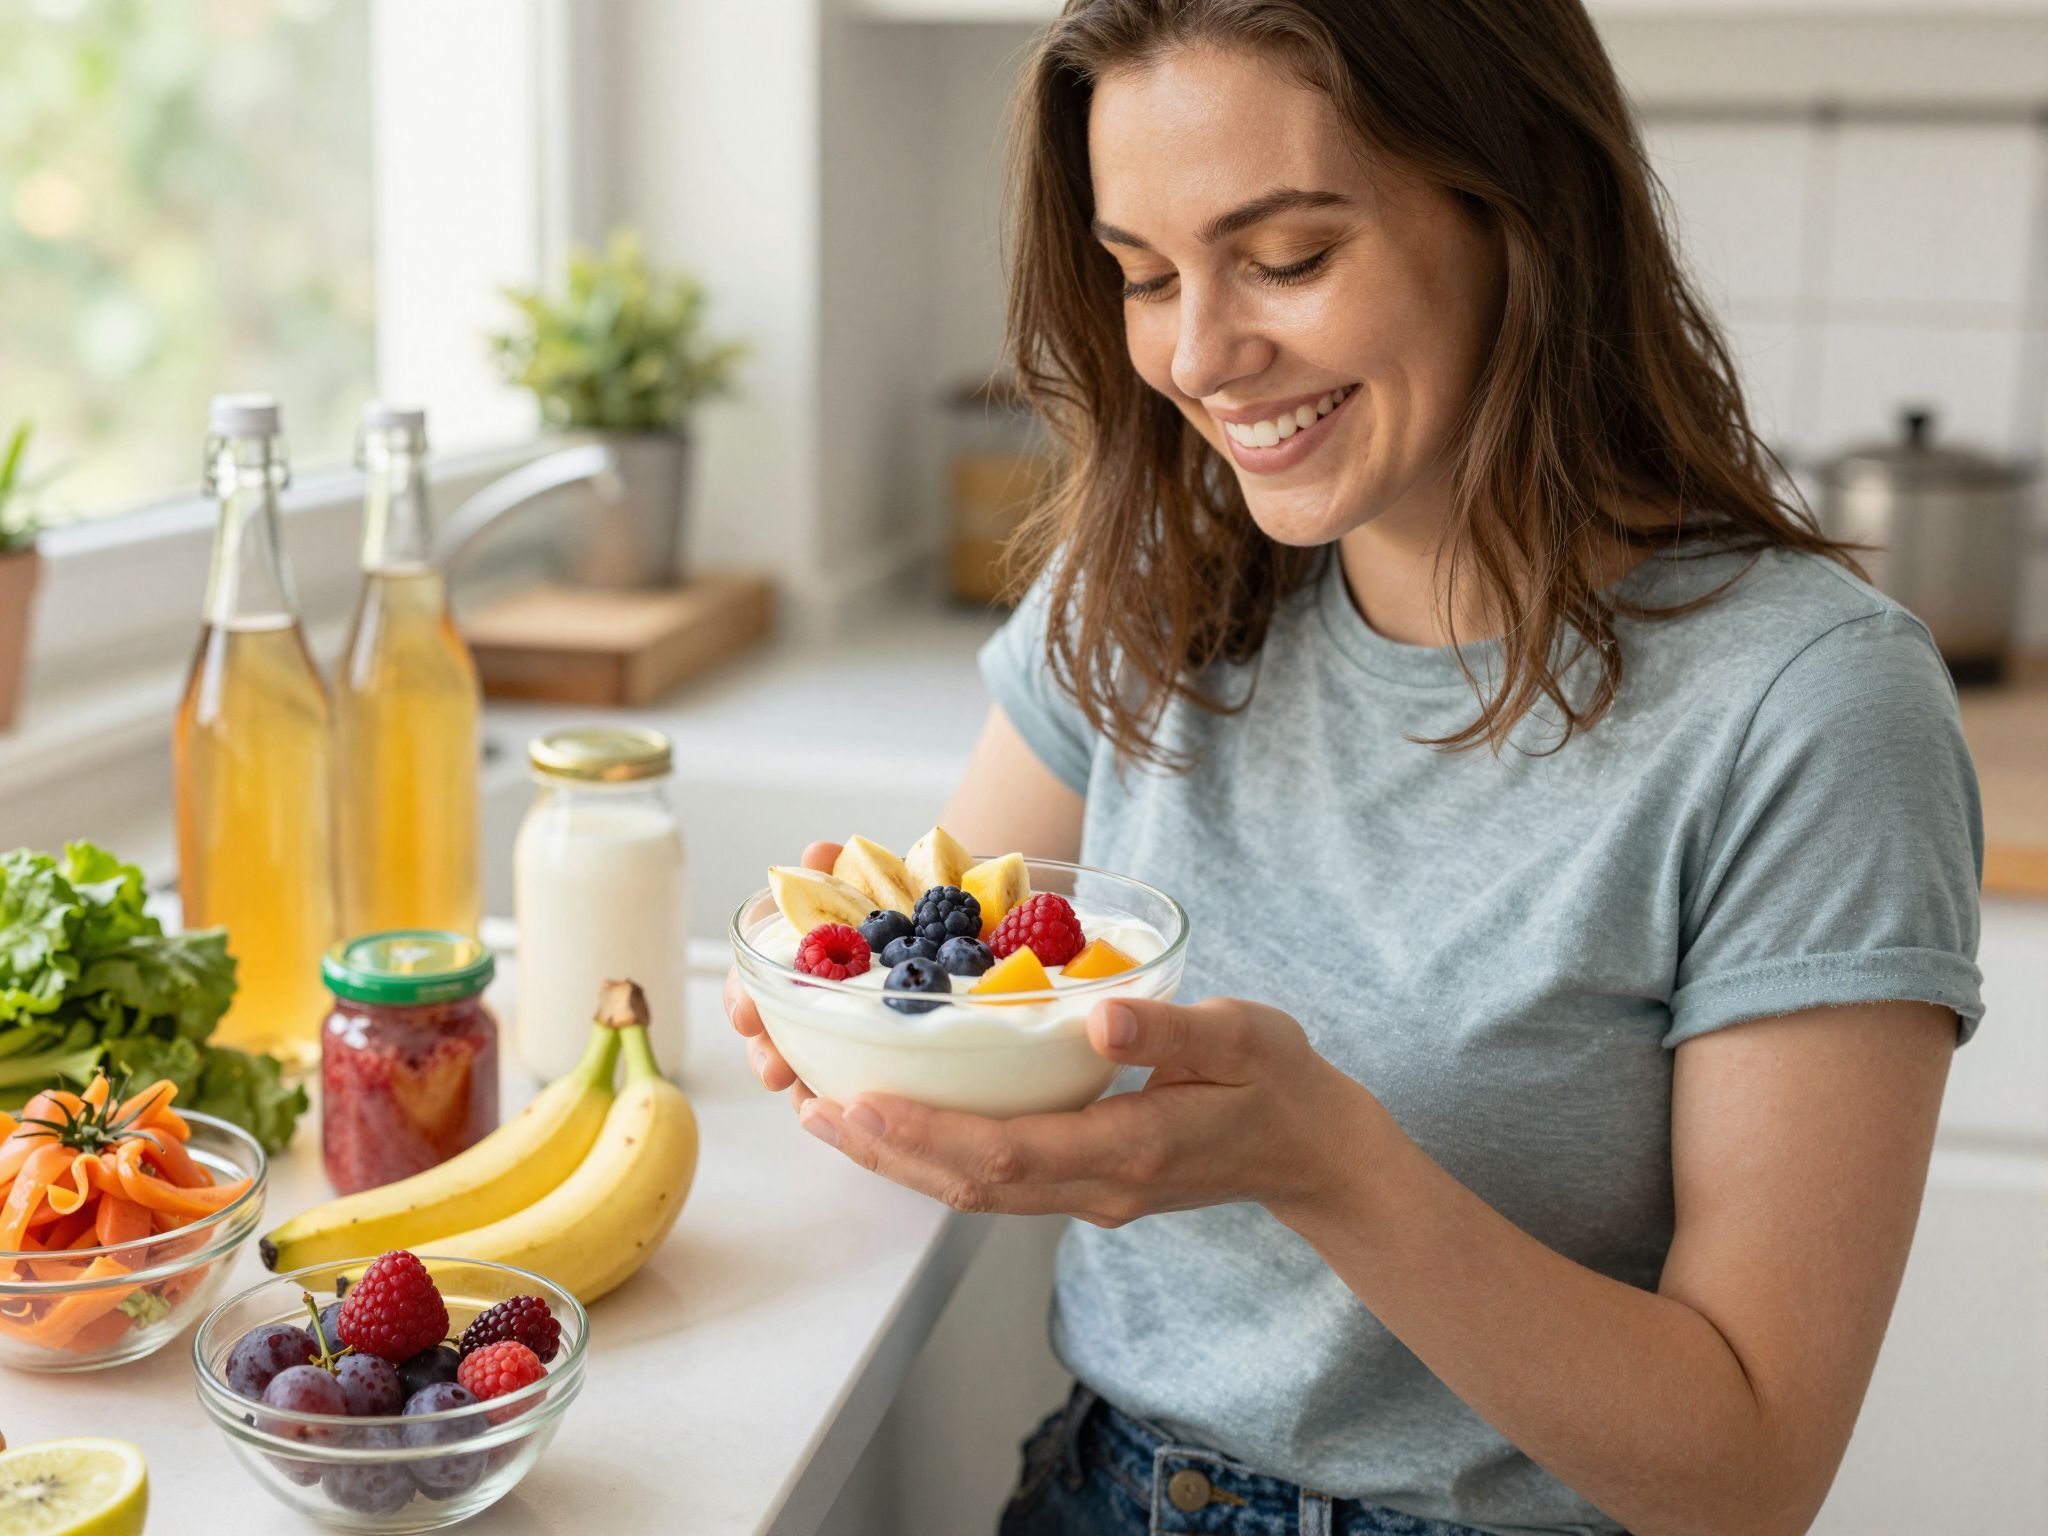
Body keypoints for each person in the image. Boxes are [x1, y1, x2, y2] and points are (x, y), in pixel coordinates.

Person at [726, 2, 1984, 1532]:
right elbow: (952, 960)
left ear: (1523, 212)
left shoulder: (1807, 705)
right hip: (1101, 1494)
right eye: (1143, 276)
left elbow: (1749, 1472)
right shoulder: (1151, 584)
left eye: (1289, 258)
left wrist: (1326, 1163)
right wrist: (854, 1031)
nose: (1199, 355)